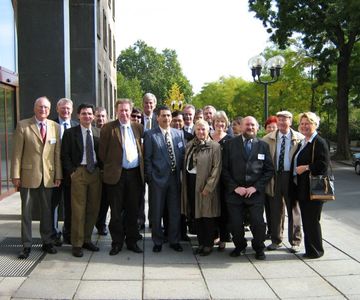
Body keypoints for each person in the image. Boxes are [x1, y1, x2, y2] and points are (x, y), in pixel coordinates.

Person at [11, 96, 62, 259]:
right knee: (26, 212)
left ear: (50, 109)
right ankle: (26, 245)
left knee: (47, 211)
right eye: (40, 107)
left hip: (48, 176)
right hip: (27, 176)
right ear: (35, 108)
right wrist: (15, 175)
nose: (43, 110)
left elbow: (57, 153)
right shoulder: (23, 125)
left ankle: (47, 241)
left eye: (46, 108)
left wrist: (58, 175)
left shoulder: (55, 126)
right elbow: (17, 153)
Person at [222, 116, 274, 260]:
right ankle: (240, 246)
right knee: (235, 224)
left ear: (257, 128)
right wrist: (235, 187)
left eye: (252, 125)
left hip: (255, 193)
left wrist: (255, 187)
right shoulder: (230, 144)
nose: (249, 127)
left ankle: (259, 248)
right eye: (246, 125)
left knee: (258, 223)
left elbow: (269, 170)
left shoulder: (263, 146)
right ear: (240, 127)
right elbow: (224, 170)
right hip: (235, 193)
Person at [99, 99, 144, 255]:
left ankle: (132, 241)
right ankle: (117, 242)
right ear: (116, 111)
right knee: (116, 212)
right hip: (116, 175)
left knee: (133, 210)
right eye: (121, 110)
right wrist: (113, 166)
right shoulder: (108, 128)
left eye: (126, 110)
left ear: (130, 111)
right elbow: (102, 154)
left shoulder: (138, 127)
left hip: (134, 175)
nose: (124, 113)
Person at [61, 103, 102, 257]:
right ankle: (76, 243)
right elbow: (64, 155)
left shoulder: (98, 132)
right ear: (78, 116)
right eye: (84, 113)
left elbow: (102, 154)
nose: (87, 116)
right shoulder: (70, 133)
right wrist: (72, 172)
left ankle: (87, 239)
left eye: (90, 113)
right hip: (79, 172)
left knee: (93, 208)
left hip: (95, 173)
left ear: (93, 116)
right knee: (78, 209)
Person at [144, 105, 185, 253]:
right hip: (158, 180)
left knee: (174, 212)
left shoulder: (178, 134)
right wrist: (150, 178)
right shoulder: (150, 135)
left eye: (169, 116)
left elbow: (181, 155)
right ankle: (157, 241)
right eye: (164, 116)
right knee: (156, 212)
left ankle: (174, 240)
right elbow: (147, 159)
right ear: (157, 117)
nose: (167, 118)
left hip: (175, 179)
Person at [263, 111, 304, 253]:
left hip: (291, 177)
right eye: (279, 120)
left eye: (284, 120)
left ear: (290, 122)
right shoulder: (267, 139)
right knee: (275, 210)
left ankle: (295, 241)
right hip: (274, 176)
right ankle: (276, 240)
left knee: (293, 209)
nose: (281, 122)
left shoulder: (300, 138)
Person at [291, 112, 329, 259]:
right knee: (307, 221)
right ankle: (311, 249)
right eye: (302, 123)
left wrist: (306, 167)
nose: (304, 126)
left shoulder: (319, 142)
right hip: (303, 189)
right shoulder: (304, 142)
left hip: (314, 189)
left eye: (308, 123)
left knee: (312, 221)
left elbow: (323, 165)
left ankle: (315, 251)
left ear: (315, 125)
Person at [181, 119, 221, 256]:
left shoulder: (214, 147)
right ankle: (201, 242)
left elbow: (217, 168)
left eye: (203, 129)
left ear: (208, 130)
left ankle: (208, 244)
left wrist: (208, 187)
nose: (200, 132)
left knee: (207, 215)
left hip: (206, 185)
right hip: (191, 182)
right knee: (196, 214)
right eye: (198, 129)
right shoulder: (190, 145)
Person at [52, 98, 78, 246]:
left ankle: (68, 233)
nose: (65, 111)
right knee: (53, 205)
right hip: (54, 172)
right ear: (57, 109)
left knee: (70, 205)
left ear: (72, 110)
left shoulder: (76, 126)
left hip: (70, 173)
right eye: (62, 108)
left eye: (68, 108)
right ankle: (54, 234)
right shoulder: (51, 125)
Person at [210, 111, 232, 250]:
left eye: (222, 121)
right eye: (217, 121)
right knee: (212, 208)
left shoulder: (230, 139)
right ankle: (213, 235)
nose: (220, 124)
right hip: (211, 178)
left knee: (224, 208)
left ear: (226, 124)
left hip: (225, 179)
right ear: (213, 123)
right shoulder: (208, 137)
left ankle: (224, 237)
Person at [94, 107, 110, 236]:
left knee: (105, 200)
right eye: (98, 116)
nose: (100, 119)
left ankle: (101, 224)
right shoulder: (91, 131)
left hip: (108, 172)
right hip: (94, 171)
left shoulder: (111, 131)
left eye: (103, 116)